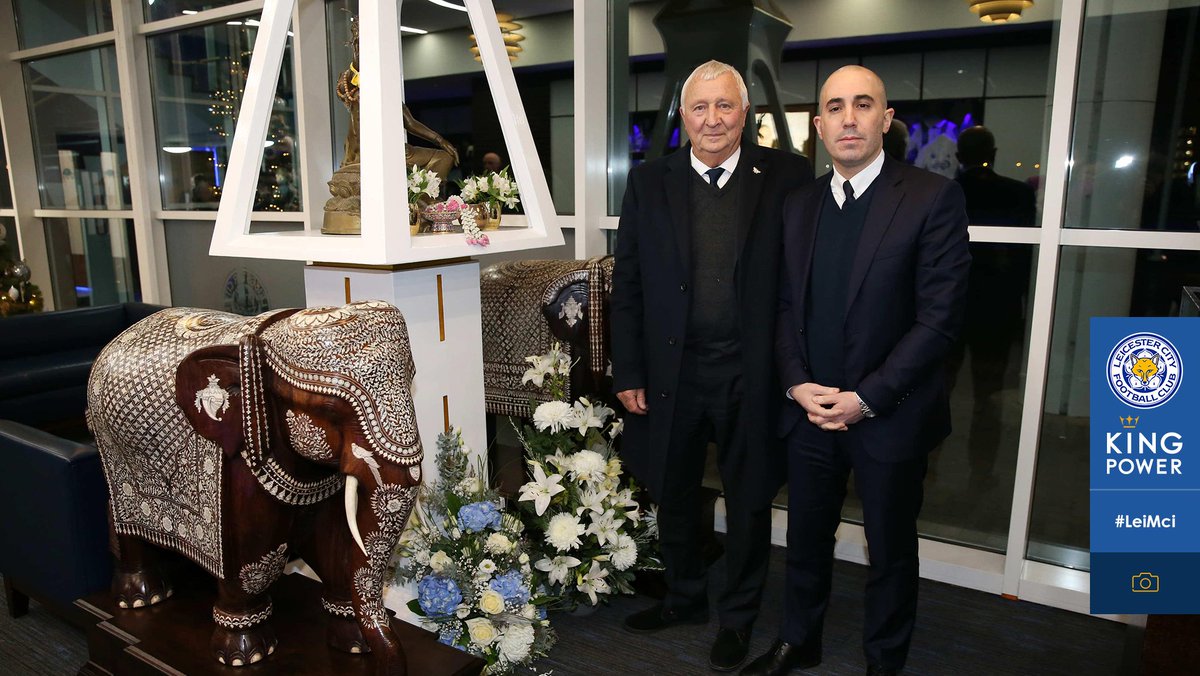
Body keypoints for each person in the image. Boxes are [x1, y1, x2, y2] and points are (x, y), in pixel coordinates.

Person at [745, 66, 970, 676]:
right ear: (817, 126)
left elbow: (940, 320)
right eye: (835, 107)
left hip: (888, 416)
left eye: (863, 104)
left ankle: (884, 661)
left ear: (885, 118)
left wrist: (865, 399)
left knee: (890, 550)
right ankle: (800, 640)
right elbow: (784, 306)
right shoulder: (798, 205)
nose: (848, 118)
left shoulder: (931, 197)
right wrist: (795, 384)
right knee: (805, 539)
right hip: (811, 412)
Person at [610, 60, 813, 672]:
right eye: (700, 108)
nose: (713, 119)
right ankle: (685, 598)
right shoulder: (651, 181)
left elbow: (801, 280)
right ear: (683, 116)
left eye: (725, 106)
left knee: (749, 499)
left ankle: (739, 618)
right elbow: (630, 283)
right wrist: (629, 371)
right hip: (672, 373)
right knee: (671, 491)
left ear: (744, 114)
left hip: (753, 373)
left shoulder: (786, 175)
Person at [950, 125, 1036, 492]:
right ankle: (981, 474)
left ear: (958, 157)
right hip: (996, 311)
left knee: (934, 394)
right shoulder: (1017, 193)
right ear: (995, 152)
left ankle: (928, 466)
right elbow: (1024, 261)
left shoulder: (947, 192)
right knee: (989, 398)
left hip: (951, 310)